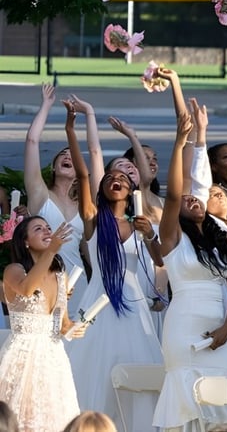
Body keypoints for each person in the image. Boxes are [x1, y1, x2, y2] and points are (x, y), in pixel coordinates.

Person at [150, 74, 227, 431]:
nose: (193, 199)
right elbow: (175, 194)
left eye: (198, 199)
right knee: (186, 411)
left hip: (219, 327)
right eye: (187, 199)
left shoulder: (219, 238)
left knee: (219, 416)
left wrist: (226, 329)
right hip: (183, 325)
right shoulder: (173, 236)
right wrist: (180, 142)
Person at [62, 99, 162, 432]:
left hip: (134, 304)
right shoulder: (93, 219)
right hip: (99, 301)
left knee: (136, 374)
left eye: (122, 177)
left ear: (132, 189)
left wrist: (149, 237)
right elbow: (84, 170)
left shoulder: (140, 223)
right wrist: (71, 128)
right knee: (96, 371)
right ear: (104, 190)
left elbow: (160, 260)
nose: (115, 179)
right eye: (110, 178)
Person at [0, 216, 83, 432]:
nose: (48, 232)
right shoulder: (13, 270)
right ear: (25, 241)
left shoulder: (59, 276)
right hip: (23, 354)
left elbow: (63, 325)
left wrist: (75, 327)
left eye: (48, 228)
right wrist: (52, 251)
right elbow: (27, 289)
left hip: (53, 356)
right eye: (39, 229)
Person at [23, 84, 87, 318]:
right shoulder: (40, 194)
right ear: (53, 166)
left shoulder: (84, 206)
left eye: (73, 156)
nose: (69, 156)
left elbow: (88, 250)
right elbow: (31, 141)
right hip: (44, 278)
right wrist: (46, 106)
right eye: (63, 155)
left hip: (79, 283)